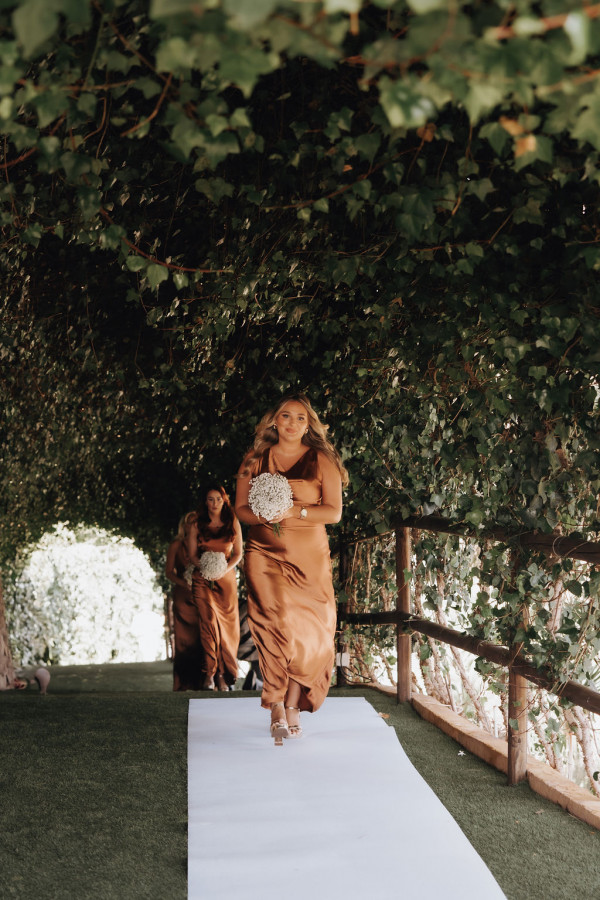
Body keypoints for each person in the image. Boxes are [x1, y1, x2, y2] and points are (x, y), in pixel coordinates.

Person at [235, 393, 348, 744]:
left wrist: (294, 511)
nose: (293, 423)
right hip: (264, 552)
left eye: (301, 418)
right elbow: (240, 509)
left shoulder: (322, 459)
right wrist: (265, 516)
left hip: (309, 556)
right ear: (274, 420)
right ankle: (277, 706)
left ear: (309, 424)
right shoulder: (254, 458)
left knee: (312, 633)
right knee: (275, 624)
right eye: (286, 416)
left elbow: (334, 512)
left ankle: (294, 703)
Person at [187, 486, 243, 691]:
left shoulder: (232, 521)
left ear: (224, 500)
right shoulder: (196, 523)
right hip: (202, 579)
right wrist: (206, 568)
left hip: (225, 579)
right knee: (208, 623)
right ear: (205, 502)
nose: (215, 503)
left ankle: (223, 673)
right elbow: (192, 555)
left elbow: (238, 553)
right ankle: (210, 674)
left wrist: (222, 570)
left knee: (227, 628)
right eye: (210, 499)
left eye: (218, 499)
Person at [165, 511, 206, 691]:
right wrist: (184, 583)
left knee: (201, 638)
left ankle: (201, 682)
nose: (194, 524)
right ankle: (181, 683)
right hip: (183, 597)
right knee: (183, 641)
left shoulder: (204, 544)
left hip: (201, 597)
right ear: (184, 525)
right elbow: (169, 572)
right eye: (190, 521)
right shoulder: (176, 544)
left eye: (197, 521)